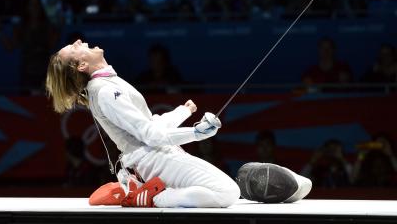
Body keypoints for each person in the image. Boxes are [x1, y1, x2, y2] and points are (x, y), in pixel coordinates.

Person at [46, 39, 311, 207]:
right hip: (151, 159)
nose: (80, 41)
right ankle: (154, 196)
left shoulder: (105, 85)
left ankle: (148, 188)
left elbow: (148, 125)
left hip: (151, 156)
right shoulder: (105, 91)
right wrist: (195, 133)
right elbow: (150, 135)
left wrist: (180, 113)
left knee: (223, 190)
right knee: (227, 192)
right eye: (75, 47)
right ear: (81, 65)